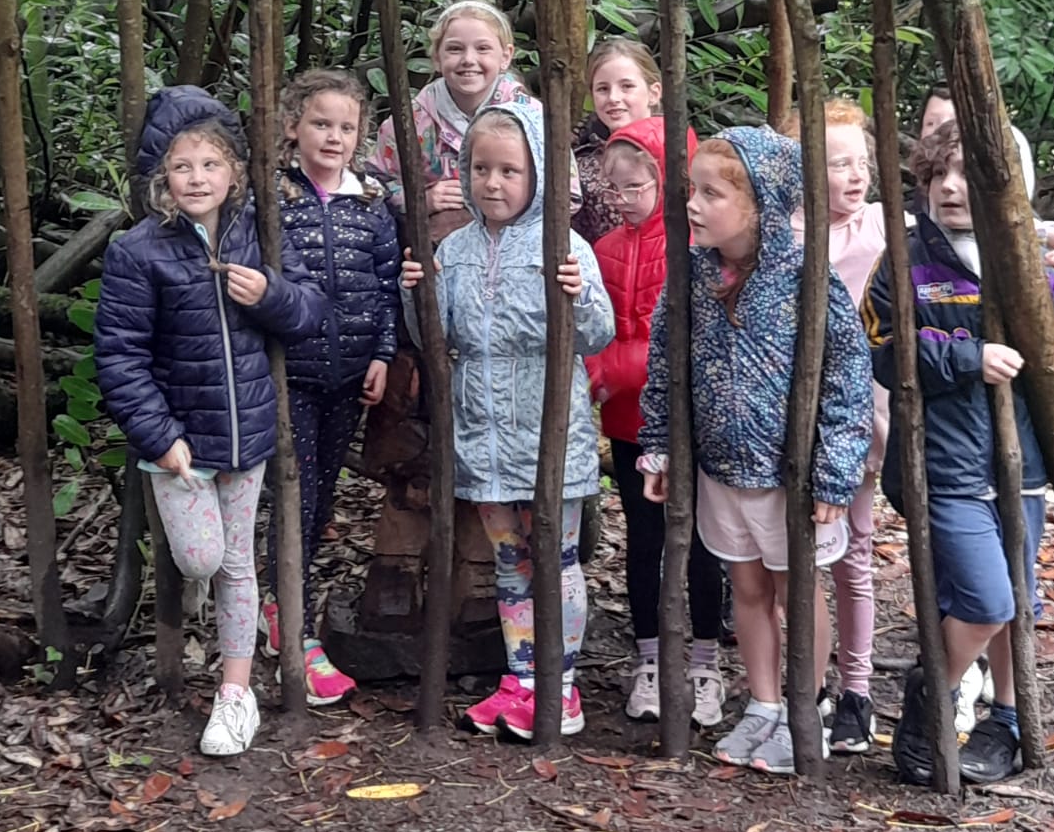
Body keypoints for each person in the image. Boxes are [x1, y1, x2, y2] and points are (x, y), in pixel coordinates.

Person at [94, 87, 328, 756]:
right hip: (178, 444)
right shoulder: (139, 251)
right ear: (161, 176)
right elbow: (119, 355)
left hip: (247, 437)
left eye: (210, 164)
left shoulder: (260, 231)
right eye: (182, 166)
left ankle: (235, 691)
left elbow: (311, 310)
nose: (197, 179)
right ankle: (195, 594)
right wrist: (159, 436)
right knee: (199, 556)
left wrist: (270, 295)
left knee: (235, 565)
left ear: (233, 172)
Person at [639, 127, 873, 775]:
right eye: (692, 190)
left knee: (797, 590)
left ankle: (807, 704)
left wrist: (834, 474)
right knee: (746, 586)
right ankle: (764, 704)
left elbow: (847, 379)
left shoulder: (806, 279)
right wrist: (659, 445)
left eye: (712, 194)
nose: (693, 204)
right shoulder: (691, 277)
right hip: (721, 471)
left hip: (788, 478)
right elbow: (664, 364)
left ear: (762, 203)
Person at [862, 119, 1054, 785]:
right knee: (988, 600)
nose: (951, 188)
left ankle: (1007, 723)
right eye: (939, 174)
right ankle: (930, 700)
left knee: (1020, 601)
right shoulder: (906, 258)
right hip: (945, 466)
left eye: (969, 175)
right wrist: (966, 357)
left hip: (1022, 469)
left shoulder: (1034, 260)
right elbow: (882, 349)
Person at [400, 102, 614, 740]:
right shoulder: (454, 248)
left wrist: (579, 295)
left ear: (538, 174)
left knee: (554, 556)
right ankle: (521, 678)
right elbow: (434, 337)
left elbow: (597, 333)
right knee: (509, 559)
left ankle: (560, 686)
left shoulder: (565, 245)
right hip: (482, 429)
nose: (492, 183)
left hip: (547, 427)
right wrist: (417, 293)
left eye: (509, 171)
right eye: (480, 168)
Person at [260, 69, 401, 705]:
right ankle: (291, 625)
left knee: (320, 502)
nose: (334, 137)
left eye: (346, 127)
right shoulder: (273, 198)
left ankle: (282, 603)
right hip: (289, 375)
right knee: (295, 497)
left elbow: (388, 284)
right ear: (293, 127)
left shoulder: (372, 202)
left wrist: (383, 354)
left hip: (348, 379)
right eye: (321, 123)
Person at [584, 119, 727, 727]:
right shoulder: (603, 249)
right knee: (643, 542)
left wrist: (619, 367)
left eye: (635, 187)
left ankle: (705, 662)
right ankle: (647, 660)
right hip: (627, 423)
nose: (622, 199)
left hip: (690, 426)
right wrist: (597, 369)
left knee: (699, 544)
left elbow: (690, 344)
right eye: (613, 188)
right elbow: (595, 328)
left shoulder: (696, 252)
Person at [780, 100, 885, 754]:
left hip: (861, 416)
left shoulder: (884, 227)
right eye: (838, 163)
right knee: (795, 555)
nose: (855, 175)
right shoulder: (783, 234)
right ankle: (809, 682)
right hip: (793, 416)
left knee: (856, 552)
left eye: (861, 161)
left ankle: (858, 690)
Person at [372, 0, 533, 230]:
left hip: (517, 237)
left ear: (505, 56)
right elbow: (373, 185)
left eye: (483, 48)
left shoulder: (529, 118)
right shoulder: (411, 122)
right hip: (436, 242)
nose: (468, 60)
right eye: (455, 49)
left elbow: (566, 188)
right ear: (437, 57)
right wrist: (422, 200)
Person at [573, 40, 665, 245]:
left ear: (654, 93)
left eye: (627, 86)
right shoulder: (582, 166)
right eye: (602, 89)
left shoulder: (681, 153)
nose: (613, 97)